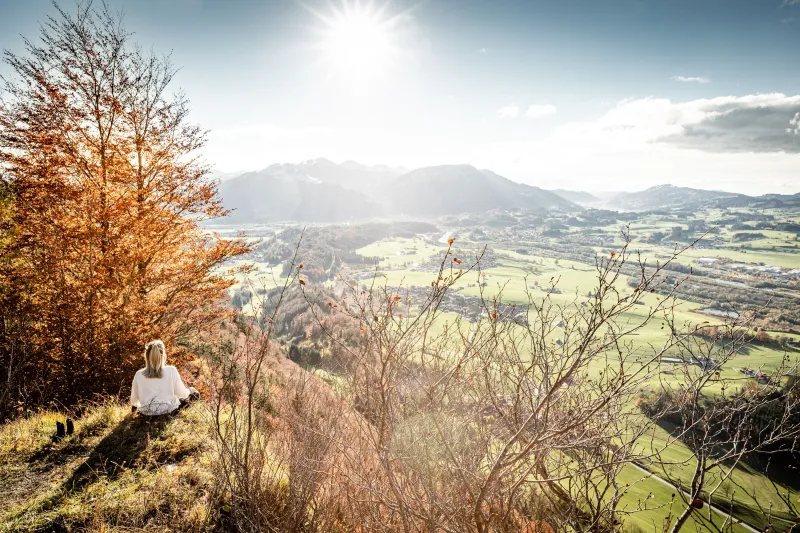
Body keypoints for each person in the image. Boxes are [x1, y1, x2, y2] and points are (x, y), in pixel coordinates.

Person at [130, 340, 199, 416]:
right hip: (169, 412)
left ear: (146, 357)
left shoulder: (139, 374)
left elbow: (134, 401)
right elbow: (182, 394)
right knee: (195, 394)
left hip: (146, 415)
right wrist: (190, 390)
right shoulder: (171, 370)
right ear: (163, 356)